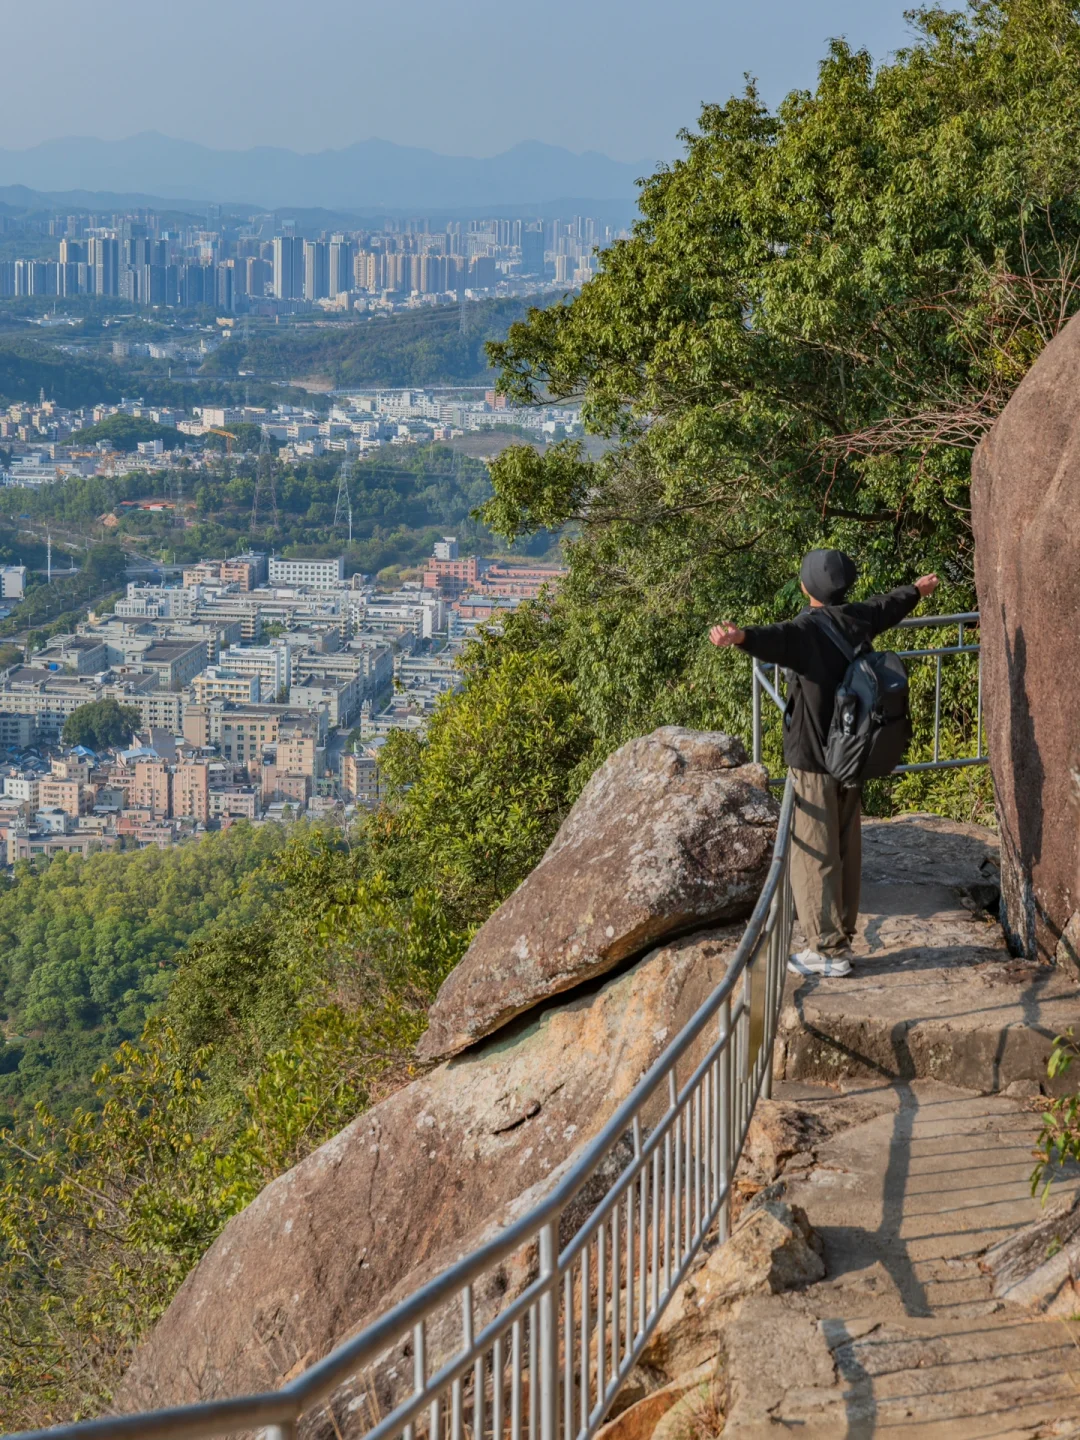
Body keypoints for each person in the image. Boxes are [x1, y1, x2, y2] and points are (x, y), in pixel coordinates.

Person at [709, 549, 939, 977]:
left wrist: (737, 637)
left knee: (813, 853)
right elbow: (888, 605)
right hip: (854, 755)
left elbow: (770, 637)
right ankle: (842, 935)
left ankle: (827, 950)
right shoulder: (858, 619)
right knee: (846, 846)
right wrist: (918, 590)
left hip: (814, 760)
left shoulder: (804, 632)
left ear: (805, 587)